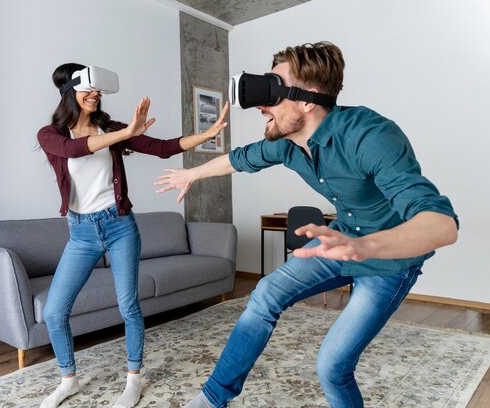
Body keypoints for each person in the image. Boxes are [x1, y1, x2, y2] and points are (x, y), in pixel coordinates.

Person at [155, 42, 459, 408]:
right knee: (265, 294)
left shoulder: (370, 135)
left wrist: (367, 247)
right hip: (340, 241)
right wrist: (192, 173)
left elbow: (442, 224)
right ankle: (212, 398)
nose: (261, 107)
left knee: (332, 367)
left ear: (307, 99)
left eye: (271, 92)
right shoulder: (288, 145)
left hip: (389, 262)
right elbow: (237, 160)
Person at [37, 62, 228, 408]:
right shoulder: (51, 135)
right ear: (70, 92)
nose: (95, 94)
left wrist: (208, 133)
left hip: (120, 226)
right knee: (54, 311)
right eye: (88, 88)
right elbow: (75, 150)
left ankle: (133, 380)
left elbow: (163, 147)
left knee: (128, 305)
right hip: (81, 233)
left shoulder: (110, 127)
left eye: (98, 90)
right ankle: (68, 380)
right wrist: (125, 134)